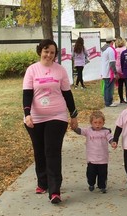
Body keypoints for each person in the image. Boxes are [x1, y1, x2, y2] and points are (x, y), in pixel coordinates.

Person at [23, 39, 78, 204]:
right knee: (39, 150)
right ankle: (42, 182)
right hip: (35, 117)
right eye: (46, 51)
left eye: (52, 52)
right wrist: (27, 114)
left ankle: (55, 190)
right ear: (40, 51)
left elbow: (68, 94)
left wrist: (73, 115)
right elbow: (27, 94)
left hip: (57, 116)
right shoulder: (32, 70)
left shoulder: (60, 70)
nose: (49, 55)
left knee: (52, 151)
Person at [73, 110, 116, 194]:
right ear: (91, 123)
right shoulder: (88, 131)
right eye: (95, 122)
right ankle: (91, 184)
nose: (97, 125)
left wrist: (113, 143)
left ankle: (102, 186)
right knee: (91, 174)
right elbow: (79, 131)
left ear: (103, 123)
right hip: (92, 159)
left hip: (103, 159)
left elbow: (110, 138)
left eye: (100, 122)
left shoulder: (106, 132)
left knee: (102, 175)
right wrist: (74, 128)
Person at [101, 36, 119, 107]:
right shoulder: (110, 50)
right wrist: (115, 72)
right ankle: (109, 102)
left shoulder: (103, 49)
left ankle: (107, 102)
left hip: (104, 71)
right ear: (111, 42)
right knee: (109, 88)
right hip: (109, 72)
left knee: (106, 87)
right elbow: (112, 63)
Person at [115, 37, 127, 103]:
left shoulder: (115, 50)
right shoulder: (125, 49)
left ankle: (121, 99)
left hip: (117, 68)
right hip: (124, 68)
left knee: (120, 85)